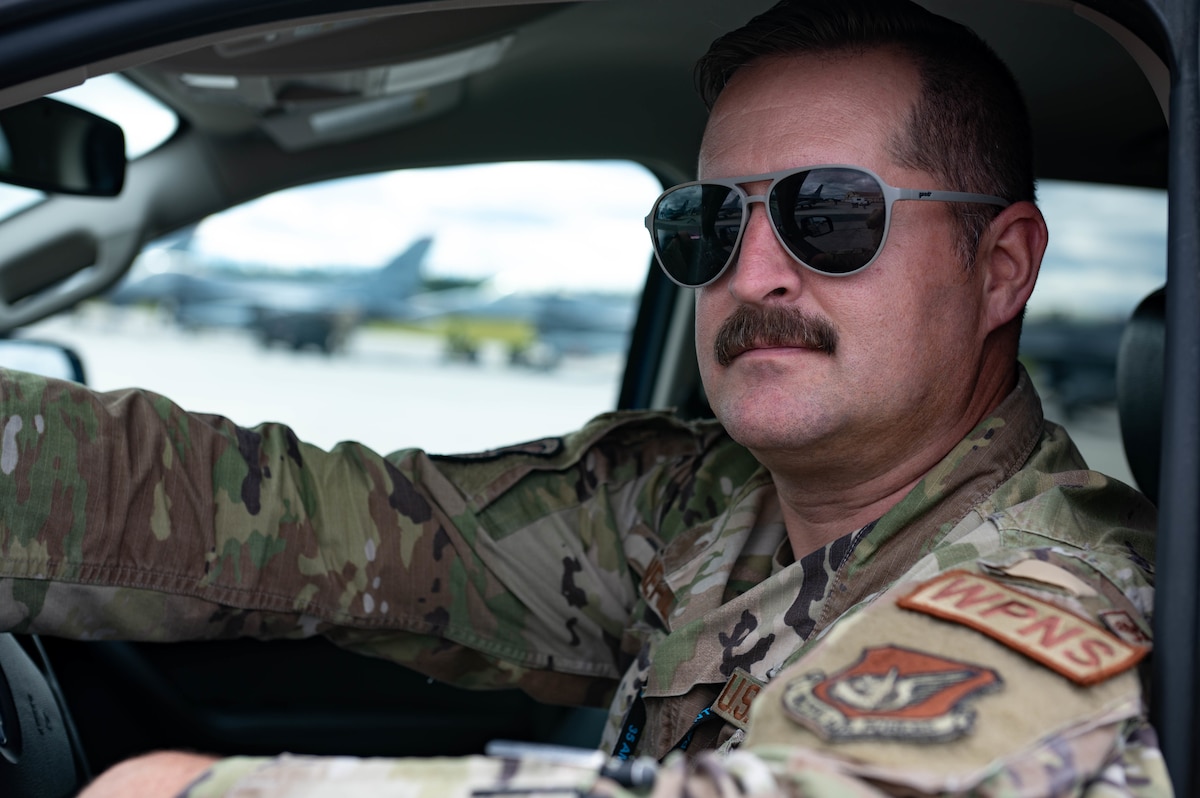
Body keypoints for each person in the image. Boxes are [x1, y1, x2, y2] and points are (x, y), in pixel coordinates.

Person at [0, 0, 1169, 795]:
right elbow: (293, 519)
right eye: (707, 223)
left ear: (1003, 267)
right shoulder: (695, 503)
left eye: (829, 214)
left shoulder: (1054, 591)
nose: (752, 272)